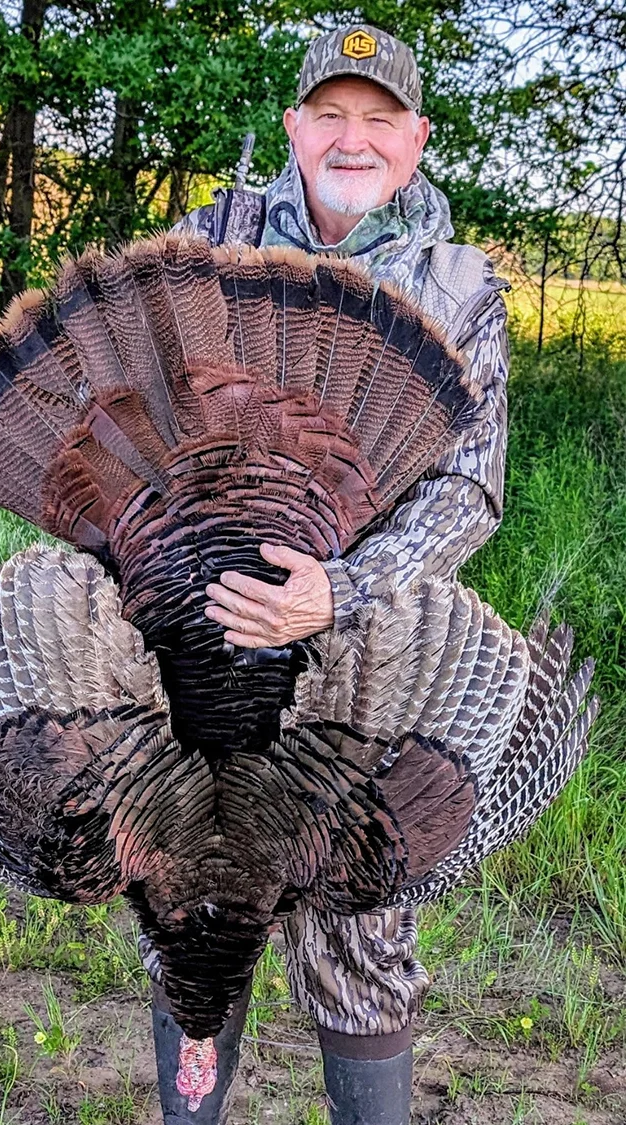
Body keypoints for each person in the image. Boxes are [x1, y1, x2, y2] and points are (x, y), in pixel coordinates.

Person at [166, 23, 512, 1125]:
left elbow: (466, 492)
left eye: (376, 121)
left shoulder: (456, 286)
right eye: (329, 115)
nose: (349, 140)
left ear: (412, 142)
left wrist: (339, 590)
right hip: (203, 638)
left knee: (359, 914)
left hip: (372, 651)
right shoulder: (206, 240)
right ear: (293, 128)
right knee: (193, 919)